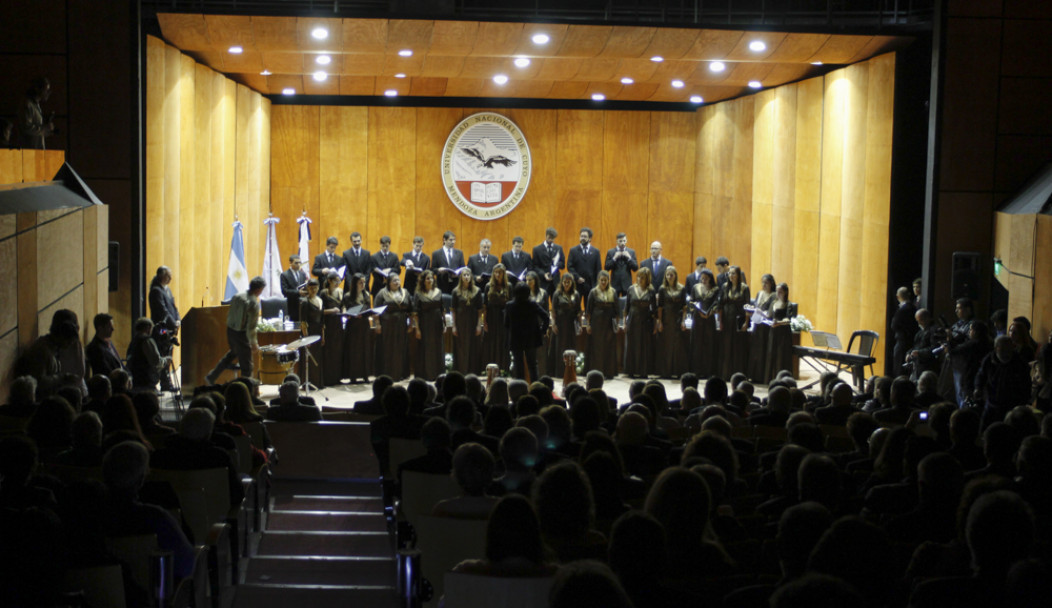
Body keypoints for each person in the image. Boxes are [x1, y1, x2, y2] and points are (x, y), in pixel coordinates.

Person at [205, 276, 266, 385]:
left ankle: (211, 376)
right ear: (258, 289)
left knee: (231, 355)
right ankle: (247, 388)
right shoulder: (253, 303)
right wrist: (254, 343)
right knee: (247, 365)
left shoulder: (237, 296)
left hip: (230, 331)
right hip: (242, 334)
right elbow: (251, 327)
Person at [16, 309, 85, 397]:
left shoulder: (52, 348)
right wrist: (63, 378)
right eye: (68, 342)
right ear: (61, 336)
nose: (68, 346)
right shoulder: (42, 350)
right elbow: (38, 381)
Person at [974, 335, 1032, 429]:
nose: (1007, 353)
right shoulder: (989, 359)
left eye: (1009, 349)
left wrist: (1023, 402)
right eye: (1003, 349)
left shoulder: (1020, 363)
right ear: (996, 348)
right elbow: (981, 375)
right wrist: (978, 388)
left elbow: (1026, 384)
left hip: (1012, 406)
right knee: (984, 429)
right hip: (992, 404)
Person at [504, 282, 551, 382]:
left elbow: (506, 324)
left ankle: (520, 387)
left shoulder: (509, 305)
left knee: (518, 365)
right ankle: (534, 387)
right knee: (532, 365)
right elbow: (546, 317)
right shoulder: (532, 304)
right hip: (531, 338)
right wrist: (542, 330)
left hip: (516, 338)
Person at [373, 273, 413, 380]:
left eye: (398, 280)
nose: (397, 282)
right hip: (387, 326)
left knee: (401, 349)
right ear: (388, 283)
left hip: (401, 325)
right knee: (389, 349)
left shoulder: (405, 292)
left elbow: (411, 310)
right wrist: (377, 324)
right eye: (394, 281)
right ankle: (388, 374)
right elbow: (376, 311)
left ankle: (400, 373)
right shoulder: (382, 293)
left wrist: (411, 323)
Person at [656, 266, 689, 379]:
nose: (670, 277)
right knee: (666, 346)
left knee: (678, 347)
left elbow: (685, 307)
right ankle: (666, 372)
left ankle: (677, 371)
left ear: (675, 276)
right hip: (666, 320)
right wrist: (659, 322)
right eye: (668, 275)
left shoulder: (682, 288)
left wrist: (684, 321)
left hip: (677, 319)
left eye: (672, 274)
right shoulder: (662, 289)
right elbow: (659, 307)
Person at [585, 270, 619, 379]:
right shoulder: (593, 292)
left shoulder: (613, 292)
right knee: (597, 348)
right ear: (598, 280)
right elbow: (588, 311)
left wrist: (617, 324)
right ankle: (597, 372)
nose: (603, 282)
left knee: (608, 347)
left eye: (605, 280)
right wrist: (588, 325)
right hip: (596, 324)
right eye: (601, 280)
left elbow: (617, 311)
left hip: (608, 324)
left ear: (608, 280)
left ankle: (608, 372)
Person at [623, 267, 656, 378]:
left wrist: (655, 323)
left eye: (642, 278)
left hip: (645, 321)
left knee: (644, 346)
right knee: (632, 345)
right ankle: (631, 370)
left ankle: (643, 371)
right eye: (638, 277)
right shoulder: (631, 289)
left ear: (647, 279)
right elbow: (626, 307)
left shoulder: (651, 290)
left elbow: (654, 309)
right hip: (632, 320)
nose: (640, 279)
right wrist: (624, 322)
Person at [412, 270, 444, 381]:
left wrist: (444, 323)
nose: (430, 280)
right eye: (427, 278)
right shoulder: (418, 294)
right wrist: (417, 329)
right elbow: (415, 313)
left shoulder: (438, 292)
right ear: (423, 281)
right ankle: (426, 374)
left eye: (431, 278)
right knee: (425, 349)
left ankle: (438, 374)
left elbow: (442, 309)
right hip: (424, 324)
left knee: (437, 348)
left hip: (437, 323)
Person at [720, 265, 750, 379]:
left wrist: (746, 323)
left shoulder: (744, 288)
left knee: (737, 348)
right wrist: (720, 321)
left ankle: (738, 375)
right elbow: (721, 305)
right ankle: (726, 374)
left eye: (733, 273)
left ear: (738, 275)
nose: (731, 276)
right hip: (727, 320)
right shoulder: (724, 287)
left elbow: (747, 306)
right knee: (726, 347)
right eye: (729, 273)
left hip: (739, 320)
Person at [689, 269, 720, 378]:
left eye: (705, 278)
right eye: (702, 278)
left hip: (709, 319)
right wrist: (697, 311)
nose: (703, 280)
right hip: (698, 318)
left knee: (708, 344)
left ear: (710, 279)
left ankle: (707, 371)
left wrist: (709, 313)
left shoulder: (715, 289)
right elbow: (691, 302)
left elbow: (716, 303)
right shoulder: (695, 287)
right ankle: (696, 370)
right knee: (697, 344)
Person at [342, 273, 373, 384]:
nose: (363, 284)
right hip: (353, 325)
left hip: (364, 324)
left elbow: (369, 308)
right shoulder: (348, 296)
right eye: (361, 282)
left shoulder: (366, 295)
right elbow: (346, 310)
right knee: (353, 351)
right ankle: (353, 376)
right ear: (355, 283)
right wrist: (351, 314)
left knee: (365, 350)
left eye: (364, 282)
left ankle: (365, 375)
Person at [451, 268, 483, 374]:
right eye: (464, 275)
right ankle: (461, 370)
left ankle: (472, 371)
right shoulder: (455, 291)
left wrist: (479, 325)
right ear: (461, 277)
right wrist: (454, 326)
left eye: (468, 275)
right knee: (460, 347)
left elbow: (480, 311)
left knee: (473, 346)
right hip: (460, 322)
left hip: (473, 321)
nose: (466, 277)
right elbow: (453, 310)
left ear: (471, 276)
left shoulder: (477, 291)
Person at [549, 273, 581, 378]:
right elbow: (553, 310)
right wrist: (553, 324)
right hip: (560, 325)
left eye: (569, 282)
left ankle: (570, 371)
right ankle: (559, 372)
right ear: (562, 282)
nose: (566, 284)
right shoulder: (557, 294)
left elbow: (578, 311)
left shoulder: (576, 294)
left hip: (571, 325)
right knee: (559, 348)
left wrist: (579, 325)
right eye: (565, 282)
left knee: (570, 347)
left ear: (572, 283)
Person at [126, 318, 168, 393]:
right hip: (146, 382)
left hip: (135, 380)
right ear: (148, 327)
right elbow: (156, 361)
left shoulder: (134, 341)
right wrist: (166, 360)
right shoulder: (147, 340)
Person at [767, 282, 798, 381]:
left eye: (780, 291)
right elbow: (769, 316)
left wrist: (778, 323)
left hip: (783, 333)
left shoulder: (788, 304)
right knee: (772, 354)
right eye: (777, 291)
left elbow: (788, 320)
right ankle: (771, 378)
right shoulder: (773, 303)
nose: (778, 293)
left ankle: (782, 379)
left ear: (785, 292)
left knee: (781, 356)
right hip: (773, 332)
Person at [318, 271, 345, 386]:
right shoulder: (323, 293)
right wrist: (332, 311)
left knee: (337, 351)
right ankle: (328, 378)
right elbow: (319, 311)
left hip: (338, 323)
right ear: (329, 281)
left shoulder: (340, 292)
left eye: (339, 281)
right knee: (329, 352)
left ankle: (337, 377)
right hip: (328, 324)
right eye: (335, 281)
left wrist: (344, 311)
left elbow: (343, 305)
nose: (338, 283)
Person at [298, 278, 325, 386]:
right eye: (311, 288)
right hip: (309, 332)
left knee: (318, 358)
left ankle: (318, 382)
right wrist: (306, 338)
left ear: (318, 288)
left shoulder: (320, 300)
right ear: (307, 288)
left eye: (315, 287)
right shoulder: (304, 302)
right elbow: (303, 322)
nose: (313, 290)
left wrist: (323, 336)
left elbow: (322, 321)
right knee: (309, 358)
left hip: (318, 331)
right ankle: (309, 382)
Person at [524, 271, 551, 376]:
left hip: (539, 326)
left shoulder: (543, 293)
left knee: (541, 351)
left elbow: (546, 311)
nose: (528, 282)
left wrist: (546, 327)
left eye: (530, 280)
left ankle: (541, 374)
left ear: (535, 281)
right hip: (527, 326)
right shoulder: (524, 293)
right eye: (526, 280)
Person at [567, 227, 601, 308]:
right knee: (575, 306)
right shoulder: (573, 250)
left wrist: (597, 285)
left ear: (590, 238)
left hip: (590, 285)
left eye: (585, 236)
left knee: (589, 307)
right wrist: (577, 277)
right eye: (581, 236)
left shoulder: (596, 252)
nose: (582, 238)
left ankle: (588, 320)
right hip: (577, 284)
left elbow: (598, 269)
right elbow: (569, 266)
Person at [891, 285, 920, 375]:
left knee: (899, 368)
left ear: (897, 297)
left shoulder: (902, 310)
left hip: (902, 342)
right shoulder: (914, 308)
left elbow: (894, 325)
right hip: (911, 342)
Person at [19, 78, 54, 149]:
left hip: (36, 150)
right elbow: (26, 127)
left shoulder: (35, 105)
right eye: (46, 90)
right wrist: (44, 128)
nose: (48, 93)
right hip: (30, 151)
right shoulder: (27, 105)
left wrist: (46, 130)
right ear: (37, 89)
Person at [85, 313, 124, 377]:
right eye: (109, 326)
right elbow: (105, 371)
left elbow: (119, 363)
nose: (113, 329)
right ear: (100, 328)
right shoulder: (95, 348)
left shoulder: (109, 343)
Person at [532, 227, 564, 301]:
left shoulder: (559, 248)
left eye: (553, 238)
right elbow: (535, 266)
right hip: (543, 281)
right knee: (542, 302)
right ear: (546, 236)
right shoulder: (537, 249)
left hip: (555, 281)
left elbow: (563, 264)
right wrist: (543, 274)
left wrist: (556, 263)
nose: (551, 240)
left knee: (556, 303)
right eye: (549, 238)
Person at [604, 233, 638, 298]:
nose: (622, 243)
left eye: (624, 241)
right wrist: (614, 258)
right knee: (614, 304)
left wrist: (629, 258)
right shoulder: (611, 252)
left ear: (626, 241)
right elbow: (606, 268)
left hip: (627, 284)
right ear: (617, 241)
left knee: (626, 305)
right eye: (620, 241)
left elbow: (635, 268)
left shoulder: (631, 252)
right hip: (615, 284)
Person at [433, 230, 465, 295]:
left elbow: (463, 268)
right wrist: (439, 270)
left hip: (456, 284)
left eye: (454, 240)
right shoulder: (436, 253)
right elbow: (433, 269)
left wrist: (458, 273)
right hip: (442, 284)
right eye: (450, 240)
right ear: (444, 240)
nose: (453, 242)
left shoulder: (459, 253)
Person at [279, 254, 308, 322]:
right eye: (296, 263)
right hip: (291, 305)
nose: (298, 265)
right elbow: (285, 291)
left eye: (299, 263)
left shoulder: (302, 274)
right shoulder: (284, 275)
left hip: (302, 304)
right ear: (290, 263)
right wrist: (298, 292)